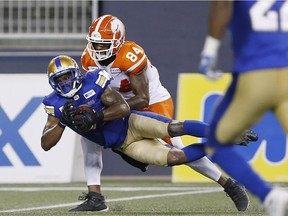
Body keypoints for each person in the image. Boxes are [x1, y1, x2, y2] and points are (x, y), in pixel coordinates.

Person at [41, 55, 258, 213]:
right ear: (53, 84)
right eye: (59, 81)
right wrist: (62, 121)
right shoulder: (55, 105)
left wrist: (95, 117)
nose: (65, 83)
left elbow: (123, 107)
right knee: (175, 157)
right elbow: (46, 143)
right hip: (124, 144)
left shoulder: (94, 82)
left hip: (132, 122)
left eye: (67, 77)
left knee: (174, 128)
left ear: (77, 73)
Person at [78, 14, 250, 212]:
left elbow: (143, 98)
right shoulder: (88, 58)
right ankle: (95, 196)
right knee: (89, 136)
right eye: (95, 44)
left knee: (175, 147)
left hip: (150, 100)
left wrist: (109, 112)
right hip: (119, 103)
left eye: (103, 44)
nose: (98, 49)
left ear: (118, 41)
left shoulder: (130, 55)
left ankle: (229, 184)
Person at [198, 1, 288, 216]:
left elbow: (222, 4)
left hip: (255, 75)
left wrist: (209, 51)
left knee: (216, 144)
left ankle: (270, 197)